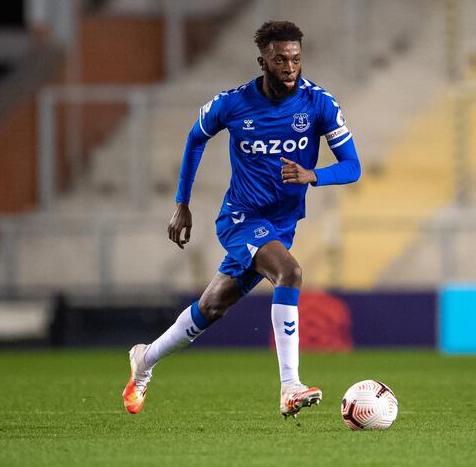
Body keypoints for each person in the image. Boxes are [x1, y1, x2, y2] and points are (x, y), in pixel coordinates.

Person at [123, 20, 361, 418]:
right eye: (281, 59)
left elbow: (352, 166)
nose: (290, 67)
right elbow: (195, 139)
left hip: (281, 225)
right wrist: (182, 203)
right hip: (241, 217)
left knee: (212, 308)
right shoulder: (231, 104)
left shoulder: (319, 104)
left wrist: (313, 175)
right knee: (290, 273)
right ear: (262, 61)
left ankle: (145, 359)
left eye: (296, 59)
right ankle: (290, 387)